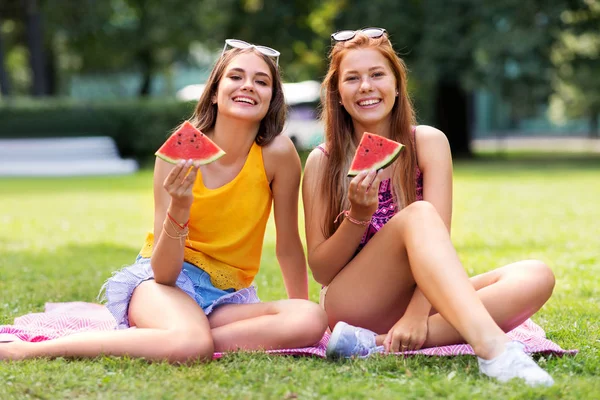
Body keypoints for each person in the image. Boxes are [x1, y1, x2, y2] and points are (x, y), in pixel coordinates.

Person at [1, 39, 327, 363]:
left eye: (262, 81)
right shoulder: (176, 155)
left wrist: (301, 313)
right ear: (214, 92)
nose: (249, 86)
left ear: (272, 98)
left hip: (226, 300)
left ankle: (173, 337)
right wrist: (180, 208)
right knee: (190, 345)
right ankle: (28, 350)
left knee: (310, 318)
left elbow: (287, 245)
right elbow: (164, 273)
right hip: (161, 286)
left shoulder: (278, 154)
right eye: (236, 76)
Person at [302, 28, 556, 387]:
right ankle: (495, 350)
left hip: (425, 297)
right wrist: (357, 217)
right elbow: (321, 271)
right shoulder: (321, 162)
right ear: (338, 93)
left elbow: (442, 242)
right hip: (354, 304)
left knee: (536, 274)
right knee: (420, 215)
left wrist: (416, 315)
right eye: (352, 78)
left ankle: (374, 346)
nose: (366, 87)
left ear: (396, 83)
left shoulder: (429, 143)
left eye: (377, 74)